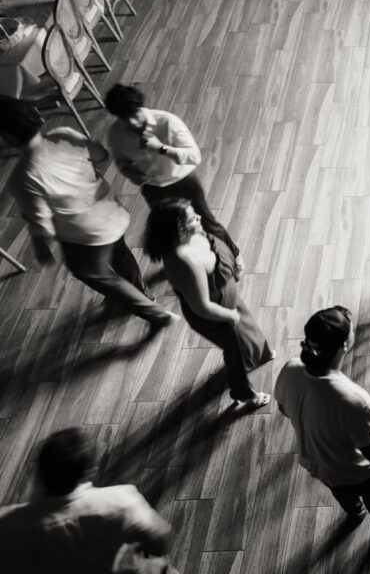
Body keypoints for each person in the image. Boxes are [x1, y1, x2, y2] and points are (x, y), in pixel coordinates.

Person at [0, 428, 201, 574]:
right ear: (89, 471)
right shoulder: (120, 501)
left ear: (40, 475)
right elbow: (162, 543)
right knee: (148, 554)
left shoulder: (13, 525)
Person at [2, 96, 176, 327]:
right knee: (120, 253)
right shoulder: (64, 134)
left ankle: (155, 313)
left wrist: (41, 247)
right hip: (109, 213)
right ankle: (141, 291)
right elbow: (102, 157)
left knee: (97, 275)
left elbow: (40, 222)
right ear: (36, 116)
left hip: (82, 236)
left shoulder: (22, 178)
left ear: (8, 138)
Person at [274, 306, 370, 533]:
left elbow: (284, 408)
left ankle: (355, 511)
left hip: (320, 467)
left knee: (343, 494)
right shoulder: (352, 399)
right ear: (345, 344)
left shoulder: (290, 369)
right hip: (360, 473)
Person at [104, 84, 245, 279]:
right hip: (153, 188)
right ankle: (195, 261)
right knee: (175, 230)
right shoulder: (116, 134)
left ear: (140, 107)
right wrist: (131, 174)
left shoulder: (167, 122)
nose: (133, 122)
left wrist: (161, 147)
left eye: (135, 114)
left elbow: (194, 156)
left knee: (206, 221)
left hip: (183, 182)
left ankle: (233, 255)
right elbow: (120, 161)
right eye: (125, 118)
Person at [144, 198, 273, 409]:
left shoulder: (194, 234)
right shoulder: (184, 261)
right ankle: (244, 393)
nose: (199, 217)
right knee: (235, 351)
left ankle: (258, 353)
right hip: (215, 315)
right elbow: (202, 307)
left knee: (246, 331)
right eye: (193, 218)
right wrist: (230, 316)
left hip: (226, 298)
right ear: (179, 230)